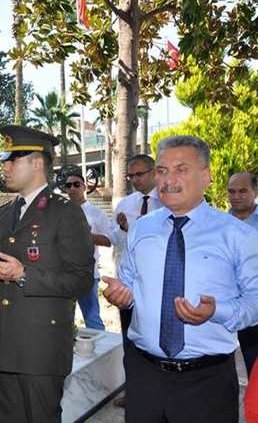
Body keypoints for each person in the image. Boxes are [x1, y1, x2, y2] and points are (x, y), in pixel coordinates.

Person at [102, 135, 258, 423]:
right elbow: (128, 284)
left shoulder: (239, 235)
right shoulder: (141, 229)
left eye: (181, 169)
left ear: (207, 177)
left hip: (207, 382)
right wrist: (121, 295)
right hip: (144, 375)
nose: (168, 179)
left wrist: (216, 311)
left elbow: (255, 301)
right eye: (161, 170)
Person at [0, 125, 94, 423]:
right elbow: (4, 272)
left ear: (37, 163)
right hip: (3, 343)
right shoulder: (5, 212)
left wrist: (24, 274)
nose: (5, 167)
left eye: (13, 159)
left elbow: (81, 279)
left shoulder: (65, 212)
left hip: (41, 349)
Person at [107, 154, 163, 407]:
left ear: (154, 172)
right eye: (130, 176)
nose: (134, 180)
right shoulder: (125, 204)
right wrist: (120, 230)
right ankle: (135, 392)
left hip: (161, 285)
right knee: (130, 342)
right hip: (129, 284)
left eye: (139, 174)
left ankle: (159, 394)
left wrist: (135, 229)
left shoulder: (168, 201)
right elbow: (115, 242)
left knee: (157, 342)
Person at [62, 172, 111, 330]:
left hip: (87, 275)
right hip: (62, 275)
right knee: (63, 320)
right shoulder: (58, 213)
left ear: (84, 186)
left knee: (92, 320)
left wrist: (87, 237)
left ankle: (103, 353)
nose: (72, 188)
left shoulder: (96, 214)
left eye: (76, 184)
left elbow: (109, 240)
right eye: (68, 185)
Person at [228, 172, 258, 375]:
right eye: (231, 191)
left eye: (242, 191)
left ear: (255, 192)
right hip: (226, 306)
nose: (236, 196)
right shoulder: (218, 224)